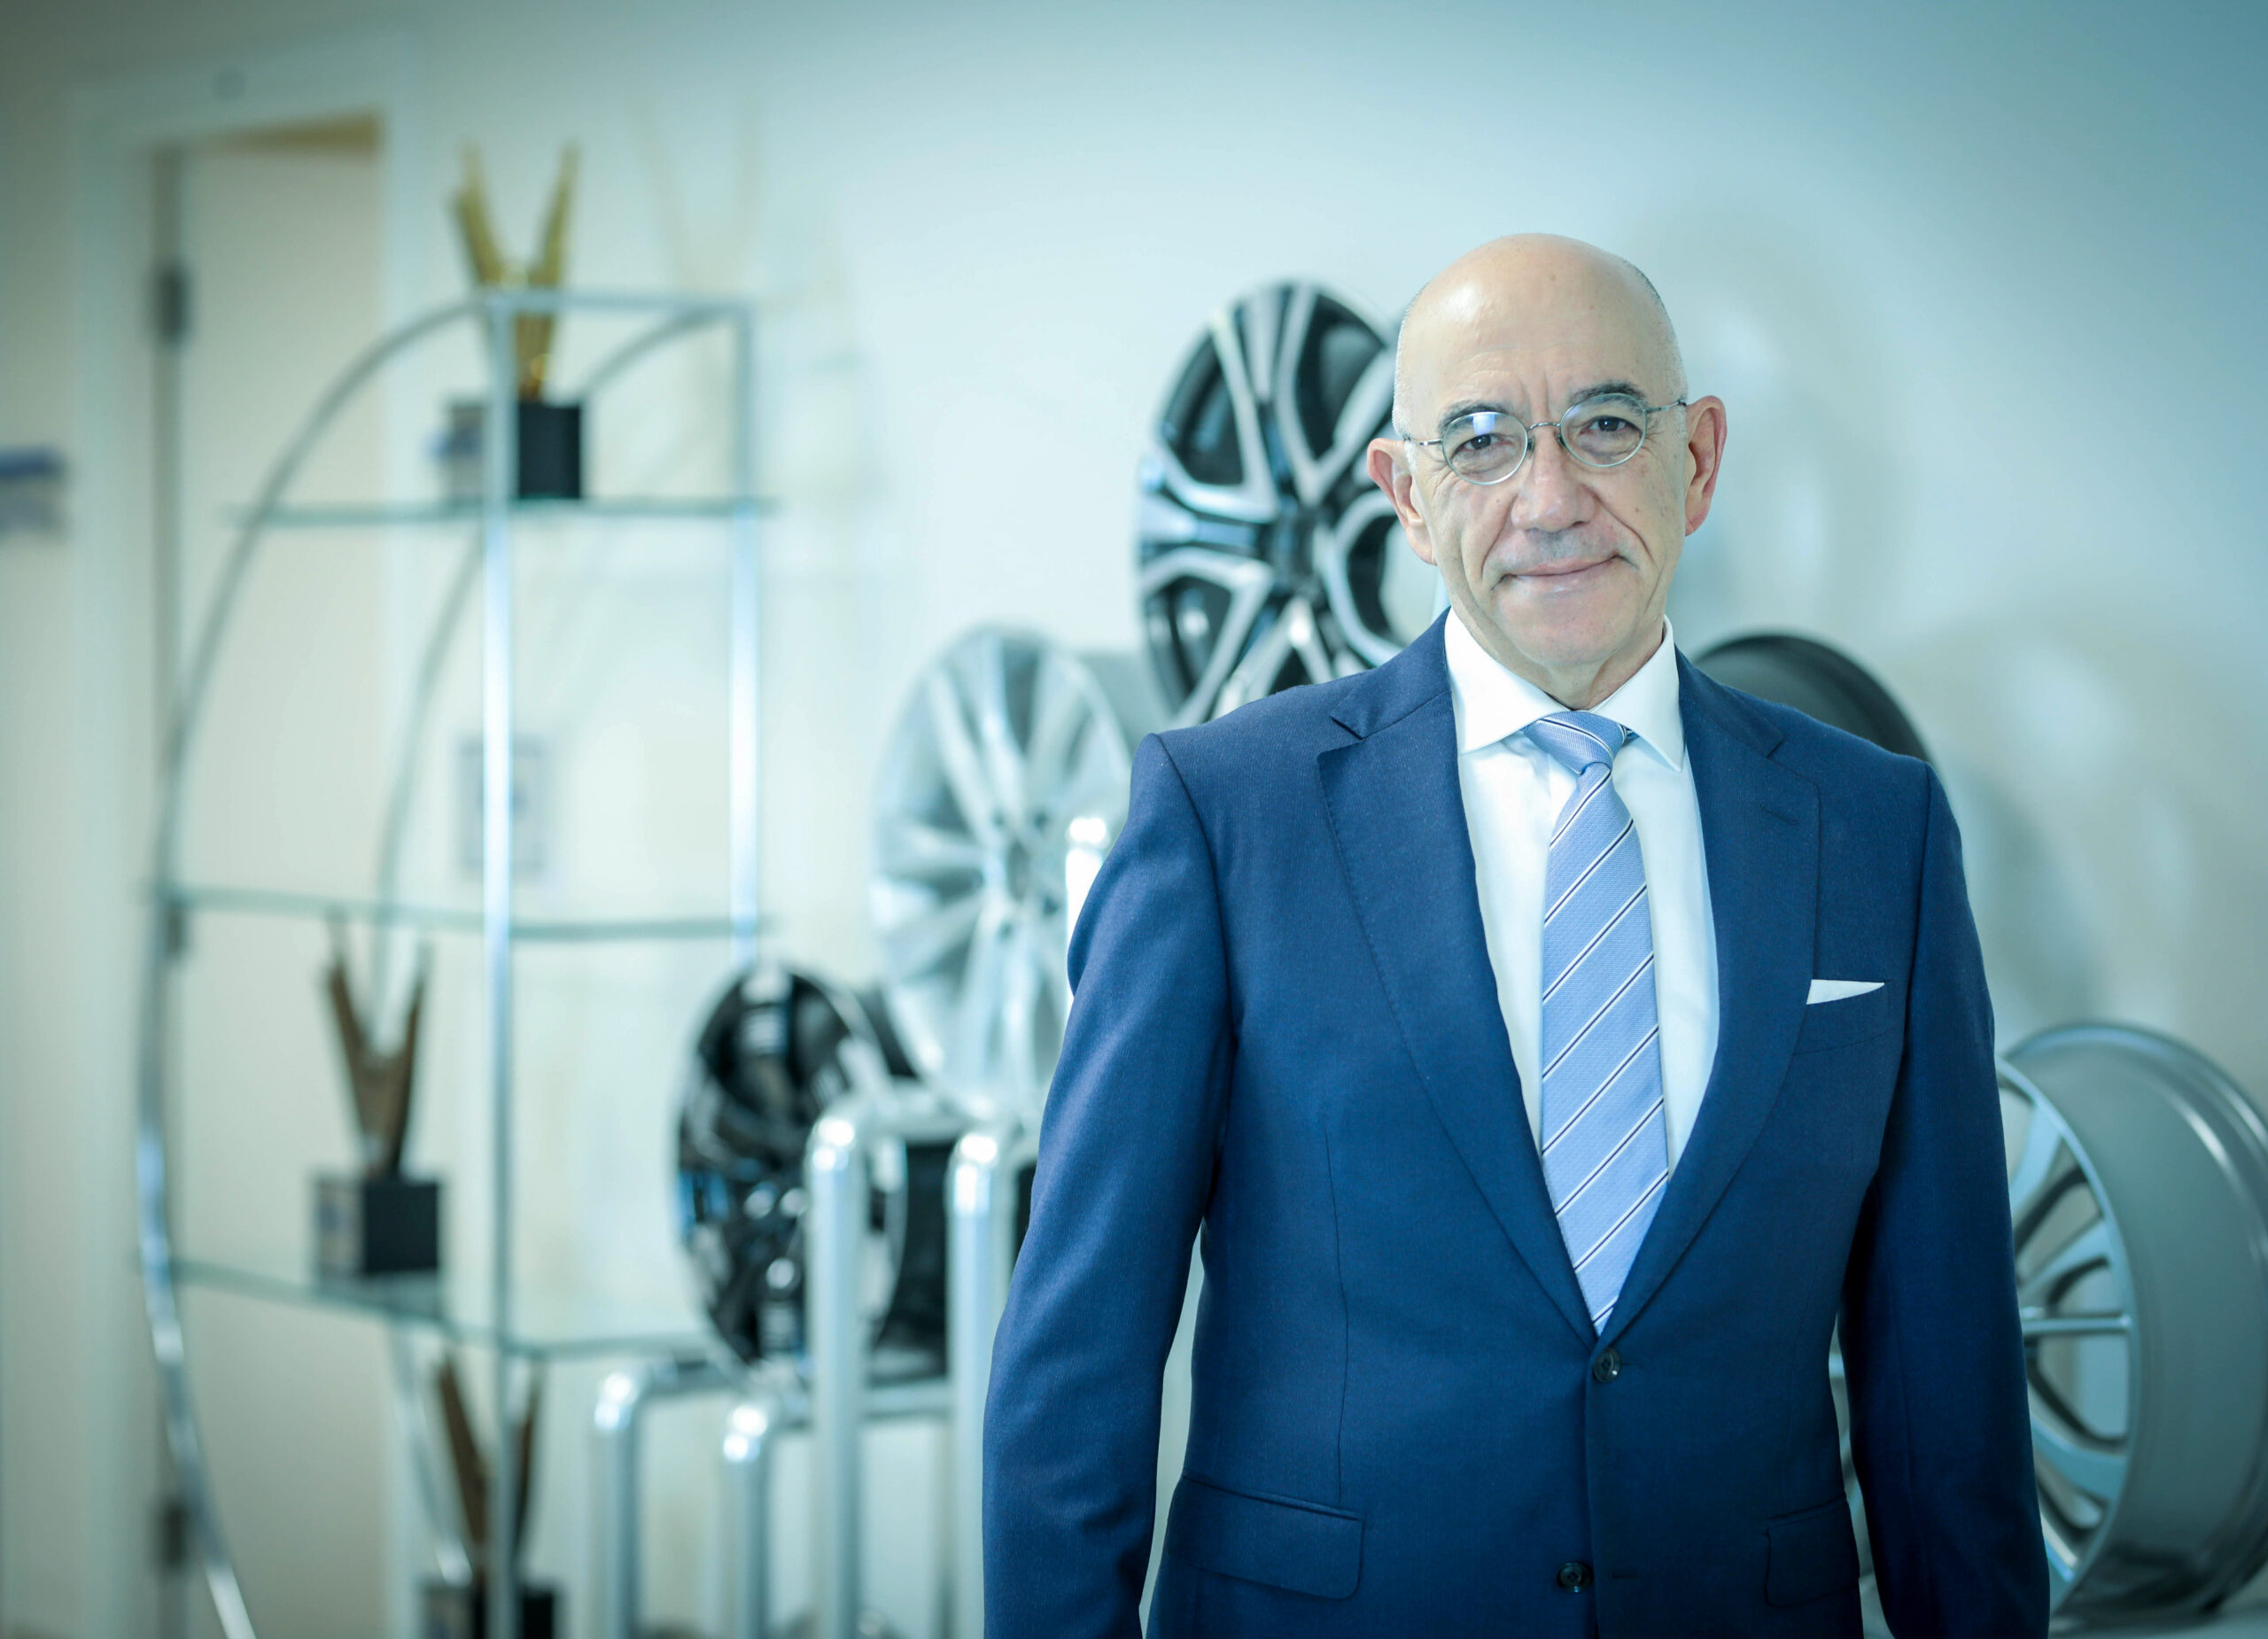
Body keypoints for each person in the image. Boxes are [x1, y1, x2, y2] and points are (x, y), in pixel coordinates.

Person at [983, 234, 2045, 1637]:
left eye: (1606, 425)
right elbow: (1076, 1367)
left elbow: (1949, 1382)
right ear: (1406, 497)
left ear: (1698, 461)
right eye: (1481, 441)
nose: (1551, 498)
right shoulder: (1225, 815)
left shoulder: (1878, 829)